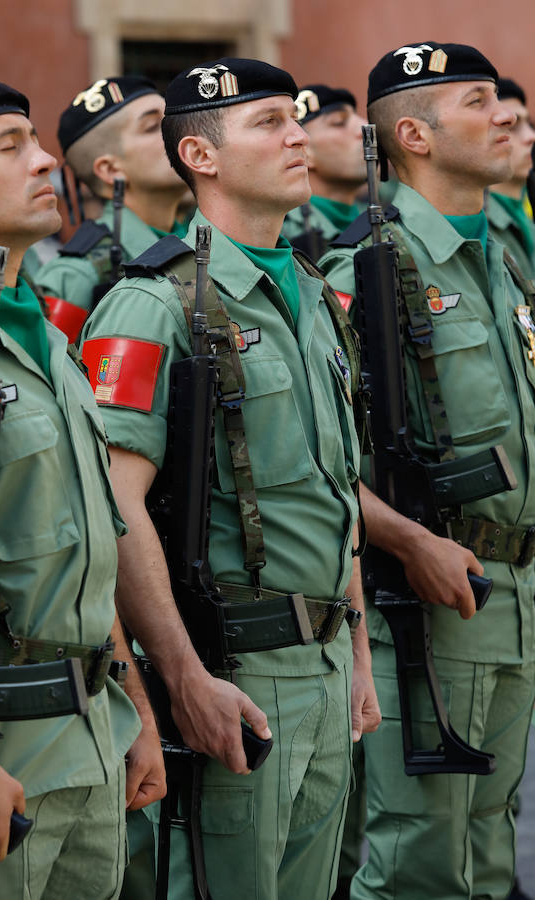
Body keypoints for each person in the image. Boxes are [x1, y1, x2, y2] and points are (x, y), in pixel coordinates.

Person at [80, 57, 381, 900]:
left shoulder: (314, 294)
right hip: (233, 671)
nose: (297, 134)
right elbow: (114, 507)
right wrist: (178, 679)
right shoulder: (156, 303)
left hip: (322, 668)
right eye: (268, 123)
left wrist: (356, 649)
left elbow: (332, 485)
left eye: (296, 117)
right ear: (200, 157)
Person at [0, 72, 164, 899]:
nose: (42, 163)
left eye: (37, 142)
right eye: (10, 146)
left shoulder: (44, 337)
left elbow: (86, 549)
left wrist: (131, 711)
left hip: (91, 736)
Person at [321, 42, 535, 900]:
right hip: (430, 601)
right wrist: (411, 541)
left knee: (489, 850)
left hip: (511, 590)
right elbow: (319, 460)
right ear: (414, 133)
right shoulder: (366, 267)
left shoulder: (505, 256)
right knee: (419, 861)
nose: (507, 116)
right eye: (480, 103)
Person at [35, 75, 188, 331]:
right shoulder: (76, 277)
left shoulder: (208, 239)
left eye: (173, 118)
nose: (181, 131)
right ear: (110, 169)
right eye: (153, 126)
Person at [281, 85, 366, 263]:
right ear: (303, 149)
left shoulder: (379, 219)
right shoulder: (280, 231)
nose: (363, 128)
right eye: (338, 122)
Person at [486, 77, 535, 279]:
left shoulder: (526, 209)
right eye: (512, 127)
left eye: (530, 124)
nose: (531, 136)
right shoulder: (478, 226)